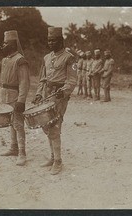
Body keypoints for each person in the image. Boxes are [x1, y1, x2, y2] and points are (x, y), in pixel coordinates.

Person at [32, 27, 77, 175]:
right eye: (49, 40)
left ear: (61, 41)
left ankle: (58, 161)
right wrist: (38, 94)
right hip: (46, 93)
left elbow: (72, 80)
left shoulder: (69, 57)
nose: (50, 43)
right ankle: (52, 157)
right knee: (46, 125)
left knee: (55, 126)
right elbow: (42, 79)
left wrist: (63, 92)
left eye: (53, 40)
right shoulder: (46, 57)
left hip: (59, 96)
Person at [0, 30, 30, 166]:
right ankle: (13, 148)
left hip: (15, 95)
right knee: (10, 122)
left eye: (6, 43)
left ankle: (22, 152)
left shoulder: (20, 60)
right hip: (4, 94)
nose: (3, 45)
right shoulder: (5, 59)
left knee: (18, 123)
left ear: (13, 44)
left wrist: (21, 100)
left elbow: (24, 82)